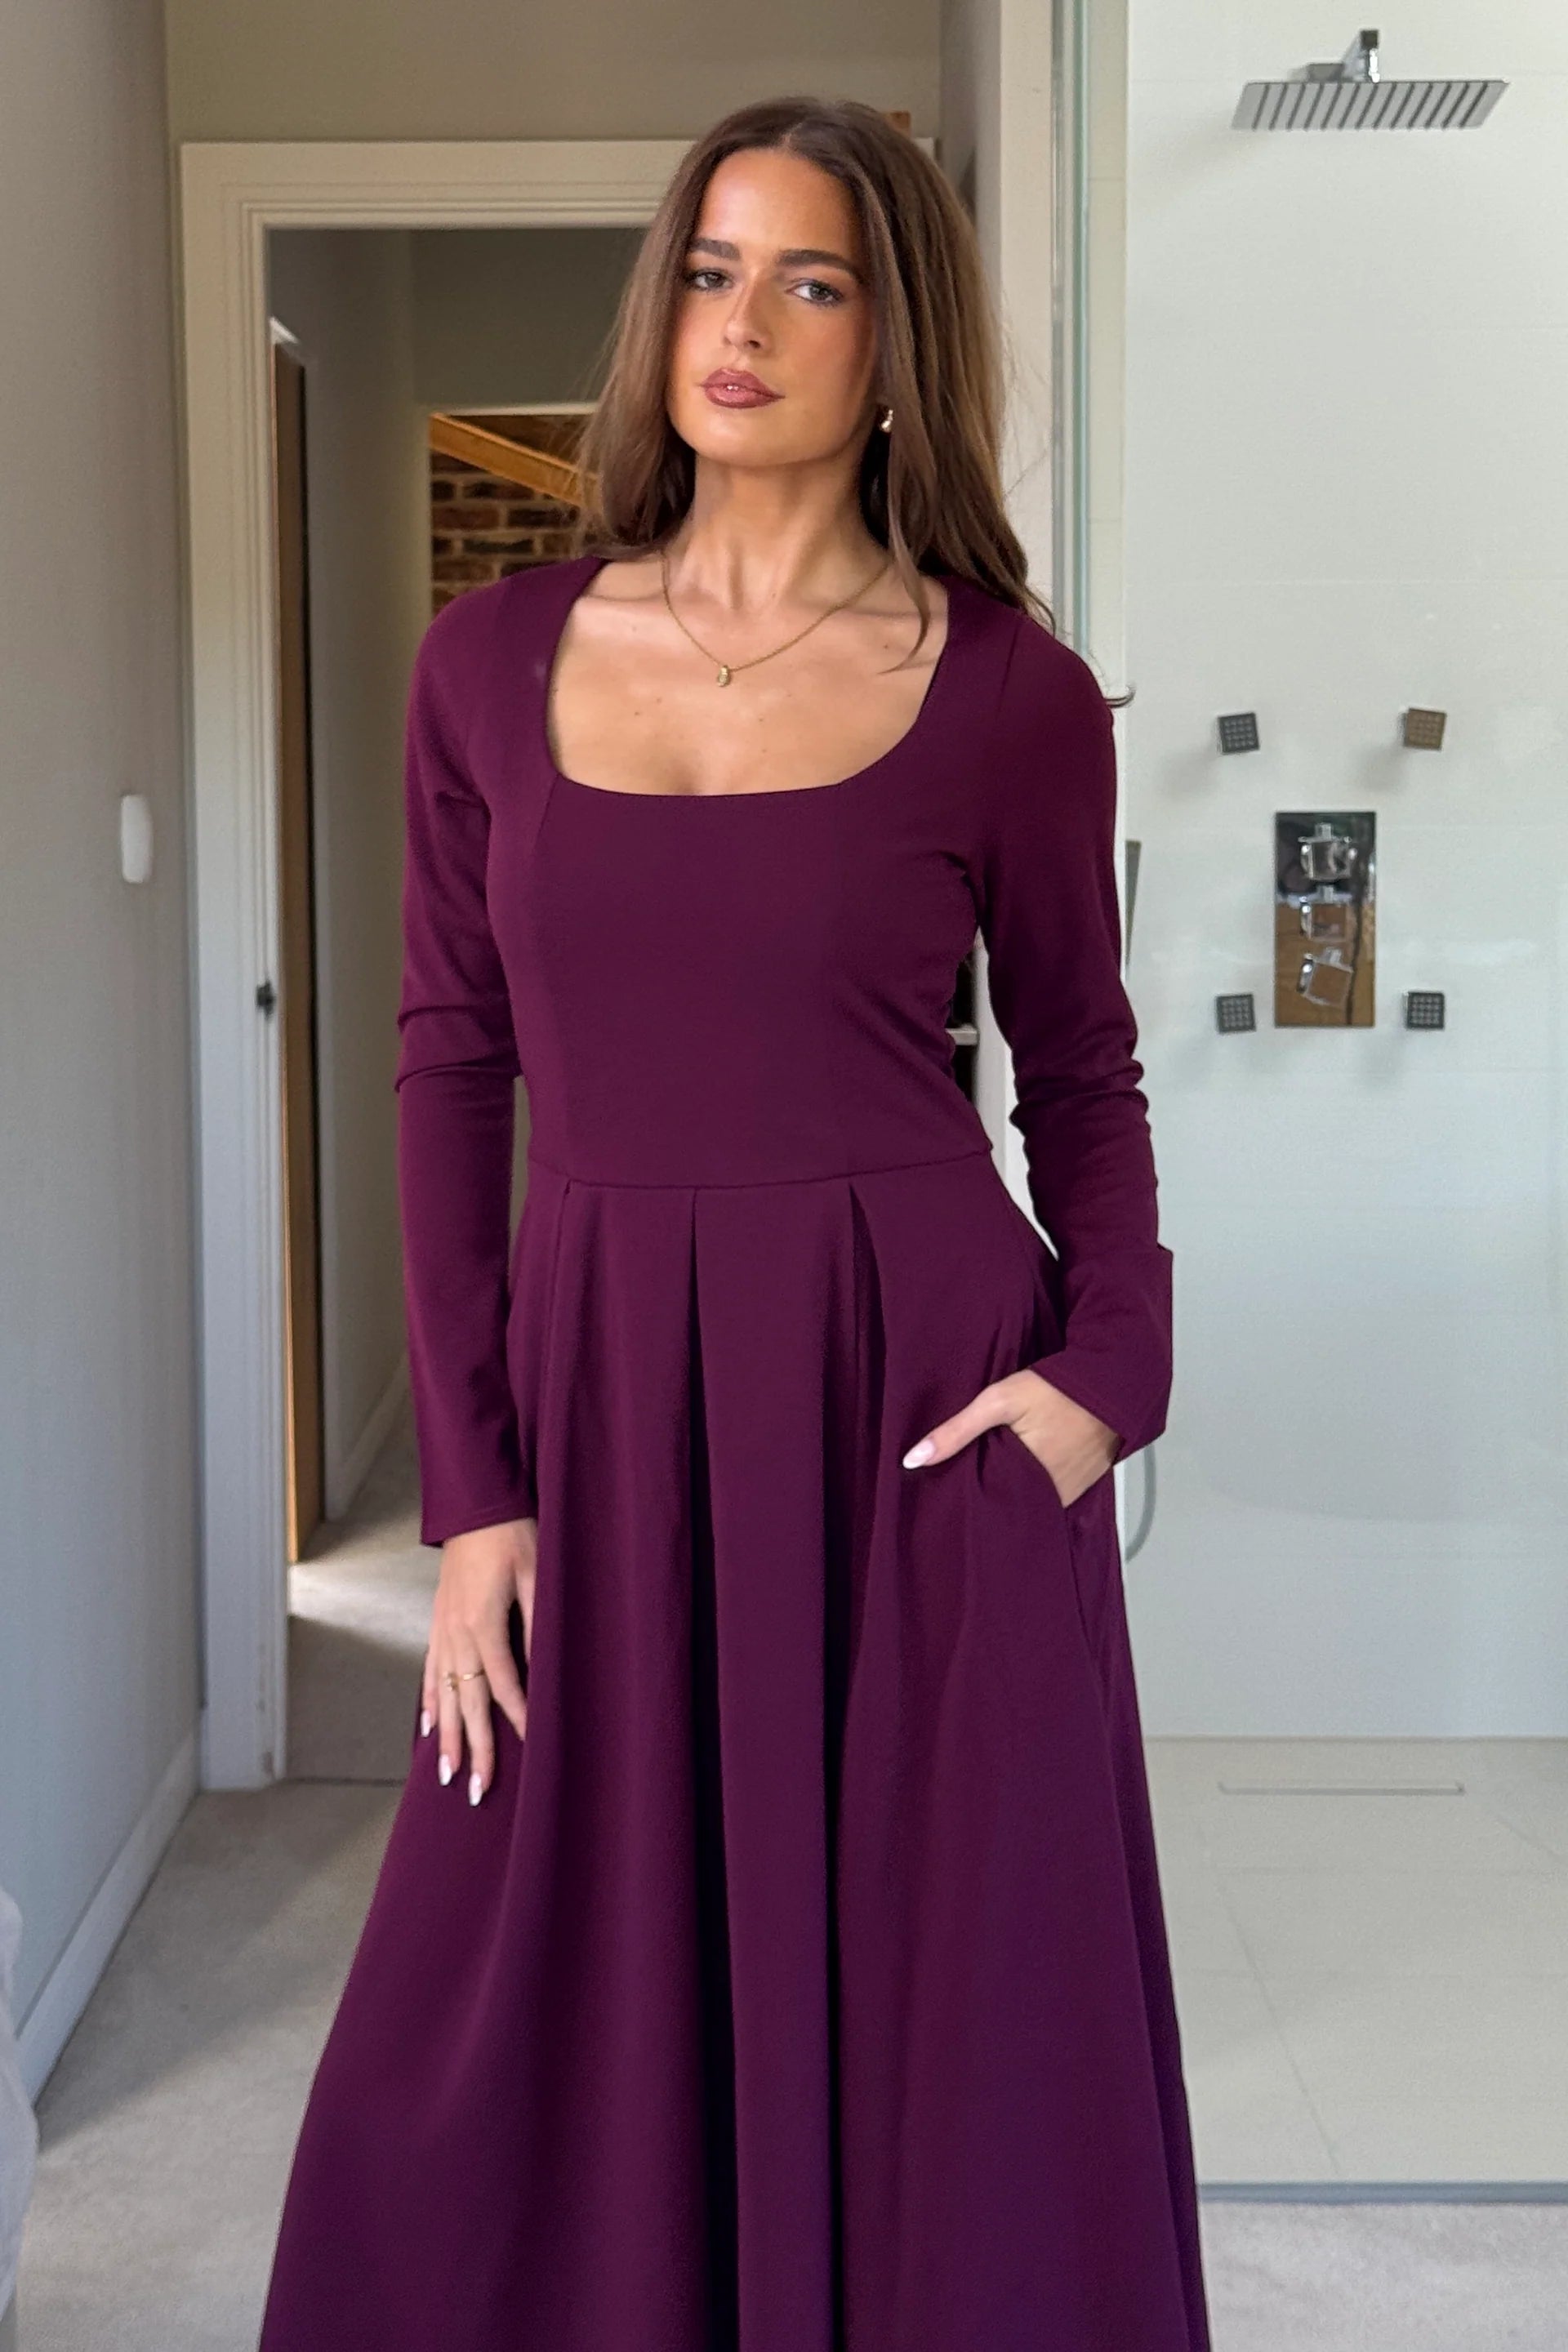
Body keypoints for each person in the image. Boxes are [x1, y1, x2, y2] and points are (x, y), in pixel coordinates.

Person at [258, 93, 1211, 2352]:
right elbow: (445, 1059)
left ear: (894, 346)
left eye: (811, 280)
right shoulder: (485, 673)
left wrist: (1109, 1388)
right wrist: (474, 1494)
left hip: (920, 1423)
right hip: (597, 1415)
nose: (744, 325)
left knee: (946, 2029)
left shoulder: (1009, 698)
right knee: (487, 2026)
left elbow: (1083, 1076)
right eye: (711, 268)